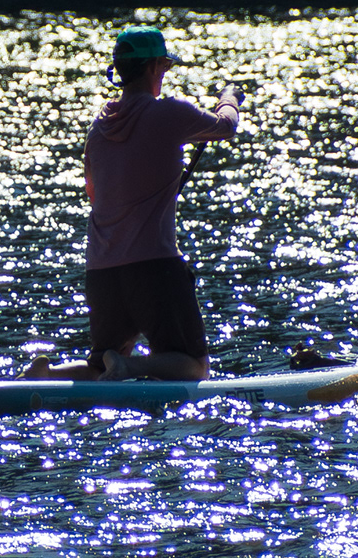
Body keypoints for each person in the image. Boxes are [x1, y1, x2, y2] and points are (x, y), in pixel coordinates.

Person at [52, 24, 243, 381]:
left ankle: (45, 373)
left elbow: (94, 192)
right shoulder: (168, 114)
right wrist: (229, 96)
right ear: (155, 67)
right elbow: (225, 125)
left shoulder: (99, 128)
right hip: (153, 265)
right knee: (192, 365)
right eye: (165, 67)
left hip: (101, 269)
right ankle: (129, 367)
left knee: (99, 365)